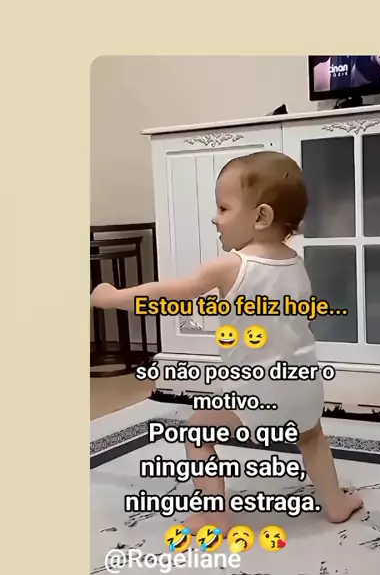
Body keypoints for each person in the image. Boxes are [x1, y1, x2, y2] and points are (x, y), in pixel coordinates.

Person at [91, 151, 363, 532]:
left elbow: (169, 293)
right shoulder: (296, 263)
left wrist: (112, 297)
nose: (215, 218)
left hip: (256, 392)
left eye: (223, 208)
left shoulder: (231, 266)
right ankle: (335, 503)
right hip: (304, 386)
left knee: (197, 433)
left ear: (261, 217)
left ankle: (213, 513)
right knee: (312, 438)